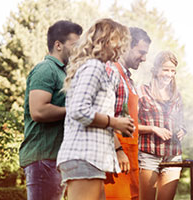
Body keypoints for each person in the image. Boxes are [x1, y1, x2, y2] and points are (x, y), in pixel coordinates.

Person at [57, 18, 134, 200]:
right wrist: (115, 122)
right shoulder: (93, 67)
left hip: (90, 160)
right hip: (84, 157)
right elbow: (78, 110)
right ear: (106, 41)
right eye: (120, 41)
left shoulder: (97, 68)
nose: (122, 47)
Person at [19, 20, 82, 200]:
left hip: (55, 158)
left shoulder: (63, 73)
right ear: (58, 45)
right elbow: (38, 111)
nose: (78, 50)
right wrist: (74, 110)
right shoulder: (45, 69)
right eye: (74, 45)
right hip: (43, 158)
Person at [104, 27, 151, 200]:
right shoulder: (111, 71)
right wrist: (117, 149)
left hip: (130, 155)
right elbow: (103, 115)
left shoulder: (128, 78)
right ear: (126, 46)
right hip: (116, 155)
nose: (144, 58)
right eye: (141, 52)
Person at [137, 51, 186, 200]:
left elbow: (182, 123)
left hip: (173, 155)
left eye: (172, 71)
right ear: (156, 70)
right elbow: (131, 125)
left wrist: (182, 131)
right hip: (148, 155)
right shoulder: (142, 91)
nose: (169, 74)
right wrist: (153, 129)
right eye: (166, 69)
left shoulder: (176, 95)